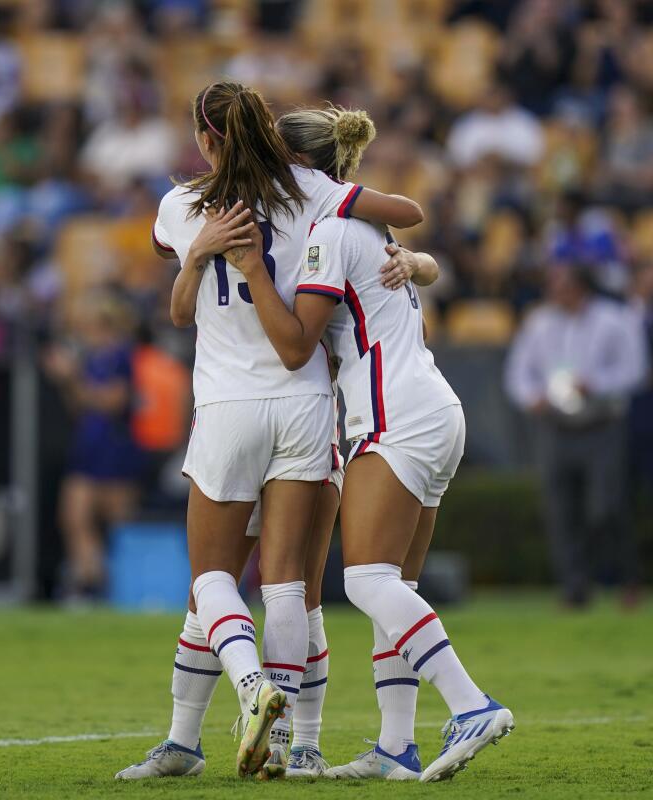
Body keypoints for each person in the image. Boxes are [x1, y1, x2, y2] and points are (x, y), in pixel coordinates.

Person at [117, 81, 424, 782]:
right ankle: (286, 745)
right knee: (290, 589)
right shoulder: (310, 191)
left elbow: (178, 304)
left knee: (211, 579)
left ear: (205, 139)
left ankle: (247, 697)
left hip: (229, 405)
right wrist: (409, 255)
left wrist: (198, 254)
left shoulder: (182, 204)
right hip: (308, 403)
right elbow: (403, 211)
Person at [224, 104, 515, 783]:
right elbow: (421, 260)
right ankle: (395, 747)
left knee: (367, 580)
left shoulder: (328, 232)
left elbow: (296, 346)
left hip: (397, 415)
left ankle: (472, 704)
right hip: (435, 406)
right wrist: (420, 262)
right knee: (398, 584)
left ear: (298, 167)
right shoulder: (367, 222)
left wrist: (253, 273)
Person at [504, 264, 647, 607]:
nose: (555, 292)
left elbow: (634, 369)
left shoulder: (614, 320)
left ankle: (627, 576)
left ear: (581, 286)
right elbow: (519, 372)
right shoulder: (539, 323)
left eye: (563, 284)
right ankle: (575, 588)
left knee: (606, 508)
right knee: (561, 510)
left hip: (602, 424)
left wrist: (596, 384)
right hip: (556, 426)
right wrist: (532, 397)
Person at [44, 293, 144, 601]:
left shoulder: (123, 356)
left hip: (114, 449)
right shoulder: (91, 359)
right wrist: (69, 381)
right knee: (74, 517)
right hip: (88, 447)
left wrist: (74, 379)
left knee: (119, 525)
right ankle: (89, 580)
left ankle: (120, 587)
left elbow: (114, 401)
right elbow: (80, 406)